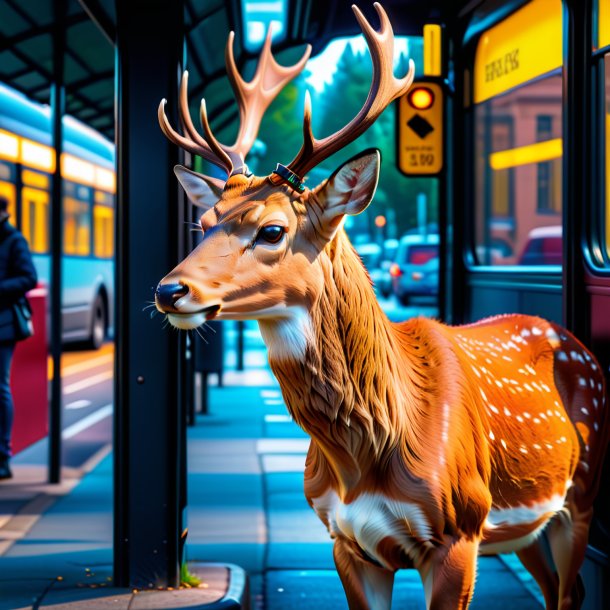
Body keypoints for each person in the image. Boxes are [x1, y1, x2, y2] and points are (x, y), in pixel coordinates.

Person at [0, 196, 37, 480]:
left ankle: (3, 455)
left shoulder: (13, 240)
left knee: (1, 388)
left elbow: (28, 277)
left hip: (3, 325)